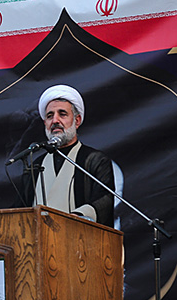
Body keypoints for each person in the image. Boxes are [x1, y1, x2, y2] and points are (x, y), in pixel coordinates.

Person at [20, 84, 116, 227]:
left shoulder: (95, 160)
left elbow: (104, 199)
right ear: (45, 123)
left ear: (77, 121)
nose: (55, 121)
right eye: (50, 116)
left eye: (62, 114)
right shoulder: (36, 165)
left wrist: (78, 216)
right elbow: (21, 208)